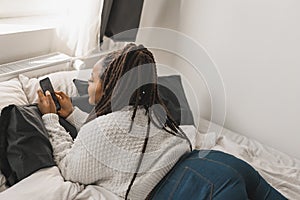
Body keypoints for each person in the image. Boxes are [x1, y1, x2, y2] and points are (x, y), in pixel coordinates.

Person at [37, 43, 287, 200]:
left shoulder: (100, 130)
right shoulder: (151, 113)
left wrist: (50, 118)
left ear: (109, 86)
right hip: (223, 164)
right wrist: (71, 115)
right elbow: (110, 142)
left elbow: (71, 168)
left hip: (195, 190)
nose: (88, 85)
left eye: (92, 80)